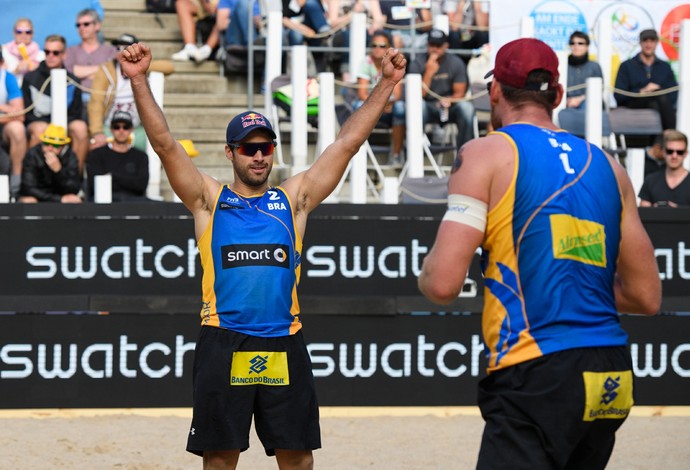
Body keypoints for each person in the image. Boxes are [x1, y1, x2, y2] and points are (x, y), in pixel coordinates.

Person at [120, 41, 406, 467]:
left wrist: (385, 83)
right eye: (248, 148)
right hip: (224, 338)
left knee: (298, 458)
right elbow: (164, 145)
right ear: (230, 152)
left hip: (283, 340)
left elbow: (346, 144)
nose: (258, 155)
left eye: (265, 147)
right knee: (220, 458)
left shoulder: (293, 200)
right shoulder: (208, 200)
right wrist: (140, 79)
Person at [418, 38, 661, 469]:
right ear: (559, 96)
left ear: (494, 91)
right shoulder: (610, 166)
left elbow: (441, 285)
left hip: (537, 366)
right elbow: (646, 297)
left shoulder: (485, 153)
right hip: (610, 371)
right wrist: (567, 278)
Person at [88, 33, 174, 151]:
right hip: (111, 126)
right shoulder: (106, 70)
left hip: (136, 128)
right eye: (118, 48)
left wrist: (140, 67)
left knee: (158, 145)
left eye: (126, 48)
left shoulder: (142, 67)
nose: (121, 52)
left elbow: (170, 67)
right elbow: (96, 103)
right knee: (95, 145)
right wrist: (97, 131)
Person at [22, 34, 89, 173]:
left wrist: (57, 129)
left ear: (64, 55)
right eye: (47, 52)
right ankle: (34, 178)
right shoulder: (30, 77)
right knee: (40, 129)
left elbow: (76, 113)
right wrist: (49, 128)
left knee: (81, 128)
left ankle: (75, 178)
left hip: (64, 124)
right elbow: (27, 113)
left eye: (55, 52)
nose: (50, 56)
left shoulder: (73, 80)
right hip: (39, 122)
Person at [408, 29, 475, 152]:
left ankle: (465, 154)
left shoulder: (456, 63)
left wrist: (450, 100)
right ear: (427, 45)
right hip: (428, 106)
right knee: (418, 107)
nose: (434, 49)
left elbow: (460, 93)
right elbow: (417, 96)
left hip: (450, 106)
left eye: (438, 45)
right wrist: (428, 72)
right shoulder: (417, 63)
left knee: (467, 108)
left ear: (446, 46)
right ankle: (415, 153)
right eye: (431, 45)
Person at [352, 30, 405, 166]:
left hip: (388, 108)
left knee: (400, 108)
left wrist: (384, 104)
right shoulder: (365, 62)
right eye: (374, 45)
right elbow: (362, 94)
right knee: (357, 106)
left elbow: (397, 94)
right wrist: (380, 104)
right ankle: (355, 154)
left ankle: (397, 154)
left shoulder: (395, 63)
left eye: (382, 46)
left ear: (389, 48)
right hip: (373, 107)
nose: (377, 49)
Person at [614, 28, 678, 131]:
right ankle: (670, 135)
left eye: (652, 40)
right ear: (640, 42)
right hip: (633, 102)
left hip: (658, 104)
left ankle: (659, 142)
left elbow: (673, 94)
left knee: (657, 101)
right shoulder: (626, 66)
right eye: (645, 40)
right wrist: (642, 91)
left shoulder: (665, 67)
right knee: (660, 98)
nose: (649, 44)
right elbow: (619, 95)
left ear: (657, 43)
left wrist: (657, 90)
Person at [85, 110, 149, 202]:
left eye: (125, 127)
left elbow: (141, 185)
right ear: (111, 129)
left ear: (131, 129)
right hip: (104, 204)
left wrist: (112, 177)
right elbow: (96, 185)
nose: (121, 131)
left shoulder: (141, 157)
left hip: (134, 205)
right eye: (117, 127)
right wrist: (129, 182)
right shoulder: (97, 155)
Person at [557, 30, 610, 138]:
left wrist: (580, 99)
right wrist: (566, 100)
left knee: (589, 104)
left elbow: (598, 91)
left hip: (588, 104)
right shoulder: (563, 65)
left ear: (587, 46)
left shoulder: (594, 66)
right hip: (567, 103)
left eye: (580, 43)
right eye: (573, 43)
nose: (576, 46)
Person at [63, 8, 118, 104]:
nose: (81, 28)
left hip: (104, 98)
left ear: (97, 26)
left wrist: (82, 71)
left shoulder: (110, 51)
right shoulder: (71, 50)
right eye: (78, 25)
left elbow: (112, 74)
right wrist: (101, 68)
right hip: (77, 99)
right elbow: (71, 72)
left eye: (86, 24)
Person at [18, 123, 82, 203]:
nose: (50, 148)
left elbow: (74, 188)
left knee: (75, 200)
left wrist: (58, 171)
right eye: (46, 144)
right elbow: (28, 188)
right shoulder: (33, 155)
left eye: (55, 145)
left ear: (63, 146)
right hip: (38, 195)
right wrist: (57, 199)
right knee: (29, 201)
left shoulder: (70, 157)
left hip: (60, 193)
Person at [0, 49, 28, 199]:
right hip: (5, 119)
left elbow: (20, 115)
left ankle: (16, 185)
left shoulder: (7, 78)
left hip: (4, 128)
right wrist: (8, 111)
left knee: (18, 130)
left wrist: (2, 108)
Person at [639, 129, 690, 207]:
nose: (674, 156)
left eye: (679, 152)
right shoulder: (650, 181)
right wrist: (655, 210)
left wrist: (678, 210)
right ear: (663, 152)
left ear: (685, 153)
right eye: (670, 151)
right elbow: (643, 213)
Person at [1, 17, 45, 87]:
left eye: (28, 32)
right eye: (19, 31)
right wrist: (16, 70)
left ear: (32, 34)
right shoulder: (3, 52)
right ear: (14, 33)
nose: (23, 35)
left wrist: (36, 70)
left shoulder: (42, 56)